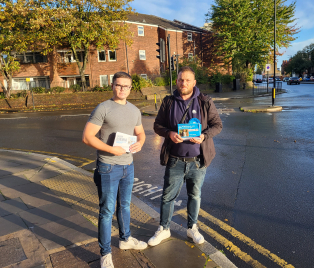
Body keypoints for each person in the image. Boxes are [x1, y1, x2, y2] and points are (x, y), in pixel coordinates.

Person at [148, 66, 222, 247]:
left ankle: (192, 228)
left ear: (194, 83)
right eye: (181, 79)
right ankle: (164, 228)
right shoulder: (168, 102)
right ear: (177, 81)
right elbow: (157, 125)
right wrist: (169, 134)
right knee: (167, 197)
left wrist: (204, 136)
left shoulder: (205, 101)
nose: (184, 83)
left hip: (197, 161)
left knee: (194, 196)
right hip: (175, 159)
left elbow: (217, 125)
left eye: (188, 80)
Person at [82, 72, 147, 268]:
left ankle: (126, 239)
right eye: (119, 85)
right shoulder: (103, 108)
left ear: (130, 88)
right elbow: (87, 137)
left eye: (126, 86)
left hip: (128, 165)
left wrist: (141, 143)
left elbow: (141, 133)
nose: (122, 89)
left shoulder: (135, 110)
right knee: (107, 211)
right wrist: (111, 149)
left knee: (125, 206)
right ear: (112, 85)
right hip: (108, 166)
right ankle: (105, 253)